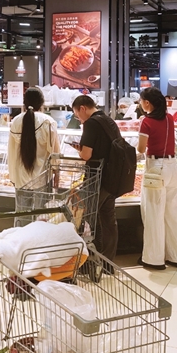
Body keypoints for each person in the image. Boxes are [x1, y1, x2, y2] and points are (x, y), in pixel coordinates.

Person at [132, 88, 177, 270]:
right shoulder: (169, 118)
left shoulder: (146, 122)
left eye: (141, 101)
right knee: (174, 213)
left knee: (154, 213)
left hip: (155, 167)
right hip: (172, 167)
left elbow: (141, 149)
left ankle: (154, 259)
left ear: (147, 102)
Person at [72, 95, 127, 264]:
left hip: (97, 178)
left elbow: (86, 155)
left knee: (88, 217)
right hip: (112, 178)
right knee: (108, 220)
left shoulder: (91, 123)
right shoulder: (108, 120)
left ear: (82, 108)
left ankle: (90, 259)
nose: (78, 119)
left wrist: (79, 151)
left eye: (77, 115)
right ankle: (108, 262)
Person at [7, 88, 60, 188]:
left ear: (24, 103)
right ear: (42, 103)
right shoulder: (48, 122)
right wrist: (56, 171)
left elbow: (12, 152)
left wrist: (12, 177)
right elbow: (54, 152)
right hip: (42, 179)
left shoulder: (16, 121)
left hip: (20, 181)